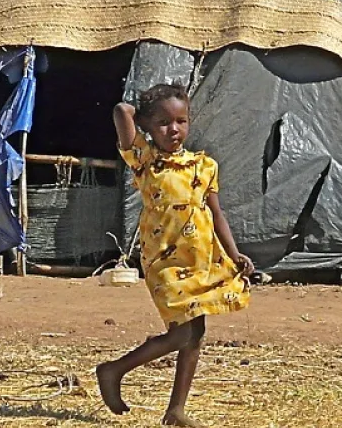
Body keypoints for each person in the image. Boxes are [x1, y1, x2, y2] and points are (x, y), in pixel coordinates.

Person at [96, 83, 254, 427]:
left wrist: (234, 253)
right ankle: (114, 370)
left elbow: (216, 213)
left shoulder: (204, 166)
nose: (174, 129)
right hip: (164, 262)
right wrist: (142, 117)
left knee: (195, 334)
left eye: (181, 121)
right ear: (148, 127)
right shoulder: (145, 161)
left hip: (200, 260)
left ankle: (176, 411)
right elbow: (122, 111)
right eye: (164, 123)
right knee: (182, 333)